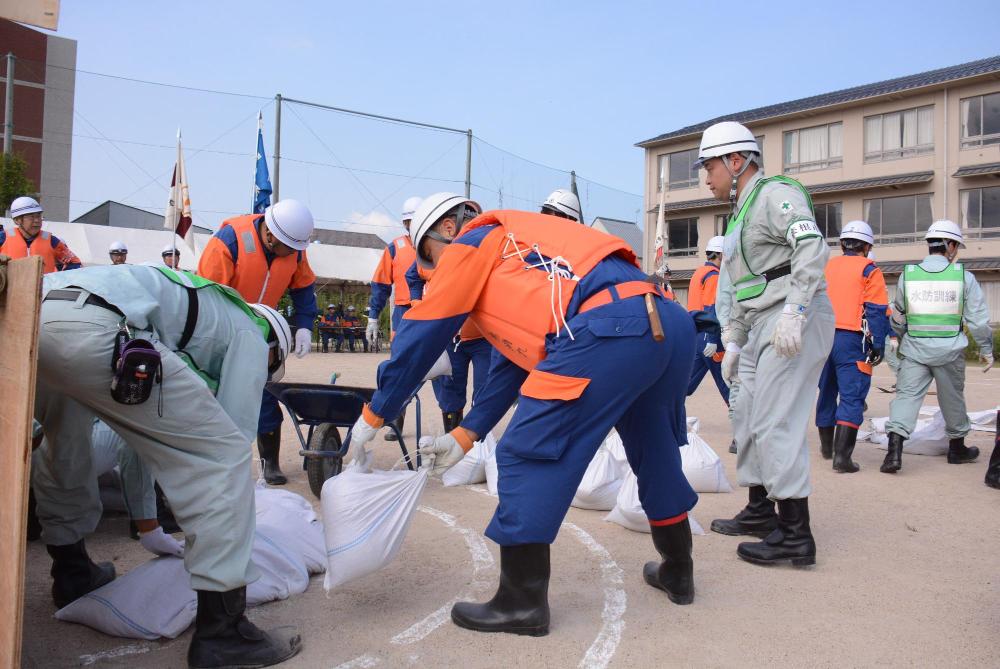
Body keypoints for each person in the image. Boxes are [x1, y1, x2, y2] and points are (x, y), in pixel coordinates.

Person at [346, 193, 699, 636]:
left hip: (610, 327)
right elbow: (522, 357)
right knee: (654, 449)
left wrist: (375, 413)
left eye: (429, 257)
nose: (432, 271)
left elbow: (423, 332)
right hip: (665, 320)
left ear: (449, 228)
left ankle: (521, 602)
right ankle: (677, 569)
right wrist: (467, 434)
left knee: (523, 454)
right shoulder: (526, 248)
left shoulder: (473, 241)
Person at [33, 263, 301, 668]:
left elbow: (141, 441)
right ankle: (224, 632)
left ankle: (71, 574)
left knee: (62, 445)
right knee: (222, 457)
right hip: (100, 325)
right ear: (273, 348)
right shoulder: (252, 329)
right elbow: (231, 437)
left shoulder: (192, 309)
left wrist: (149, 525)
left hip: (36, 317)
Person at [698, 121, 834, 567]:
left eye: (710, 166)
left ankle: (796, 533)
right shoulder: (738, 217)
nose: (706, 176)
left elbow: (811, 247)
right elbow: (741, 288)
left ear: (736, 161)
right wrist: (734, 342)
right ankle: (761, 509)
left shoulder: (776, 194)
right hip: (759, 323)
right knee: (749, 416)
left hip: (791, 316)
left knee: (776, 420)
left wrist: (796, 309)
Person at [197, 199, 318, 485]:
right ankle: (210, 467)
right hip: (221, 326)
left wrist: (304, 326)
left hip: (264, 329)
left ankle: (270, 463)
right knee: (214, 397)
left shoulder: (295, 251)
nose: (294, 254)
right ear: (271, 236)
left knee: (265, 394)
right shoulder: (229, 241)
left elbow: (303, 288)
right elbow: (206, 294)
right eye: (289, 248)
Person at [881, 220, 993, 474]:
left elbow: (899, 316)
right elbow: (977, 321)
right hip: (949, 352)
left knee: (906, 398)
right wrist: (986, 350)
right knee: (952, 399)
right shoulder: (964, 277)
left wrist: (896, 338)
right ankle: (957, 449)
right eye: (957, 246)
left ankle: (894, 454)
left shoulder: (907, 275)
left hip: (914, 350)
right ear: (950, 245)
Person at [815, 221, 890, 472]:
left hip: (822, 337)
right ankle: (842, 458)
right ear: (867, 246)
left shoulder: (827, 266)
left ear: (842, 244)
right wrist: (878, 344)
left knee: (826, 391)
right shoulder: (870, 270)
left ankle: (827, 449)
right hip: (852, 340)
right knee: (852, 396)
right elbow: (877, 310)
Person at [366, 196, 422, 441]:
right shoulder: (395, 248)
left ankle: (453, 425)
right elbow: (380, 284)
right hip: (403, 314)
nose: (412, 225)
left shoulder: (443, 245)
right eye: (409, 221)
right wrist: (373, 316)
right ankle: (395, 422)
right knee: (400, 370)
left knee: (444, 371)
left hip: (434, 311)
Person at [686, 235, 729, 406]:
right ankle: (744, 428)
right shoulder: (714, 276)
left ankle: (662, 408)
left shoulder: (698, 273)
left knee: (685, 386)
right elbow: (711, 308)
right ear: (720, 255)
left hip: (696, 337)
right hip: (710, 339)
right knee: (728, 384)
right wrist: (712, 339)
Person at [1, 196, 81, 273]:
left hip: (44, 286)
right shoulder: (3, 238)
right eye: (31, 217)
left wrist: (60, 279)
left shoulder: (52, 241)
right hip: (12, 286)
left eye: (39, 216)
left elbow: (75, 263)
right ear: (17, 220)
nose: (37, 220)